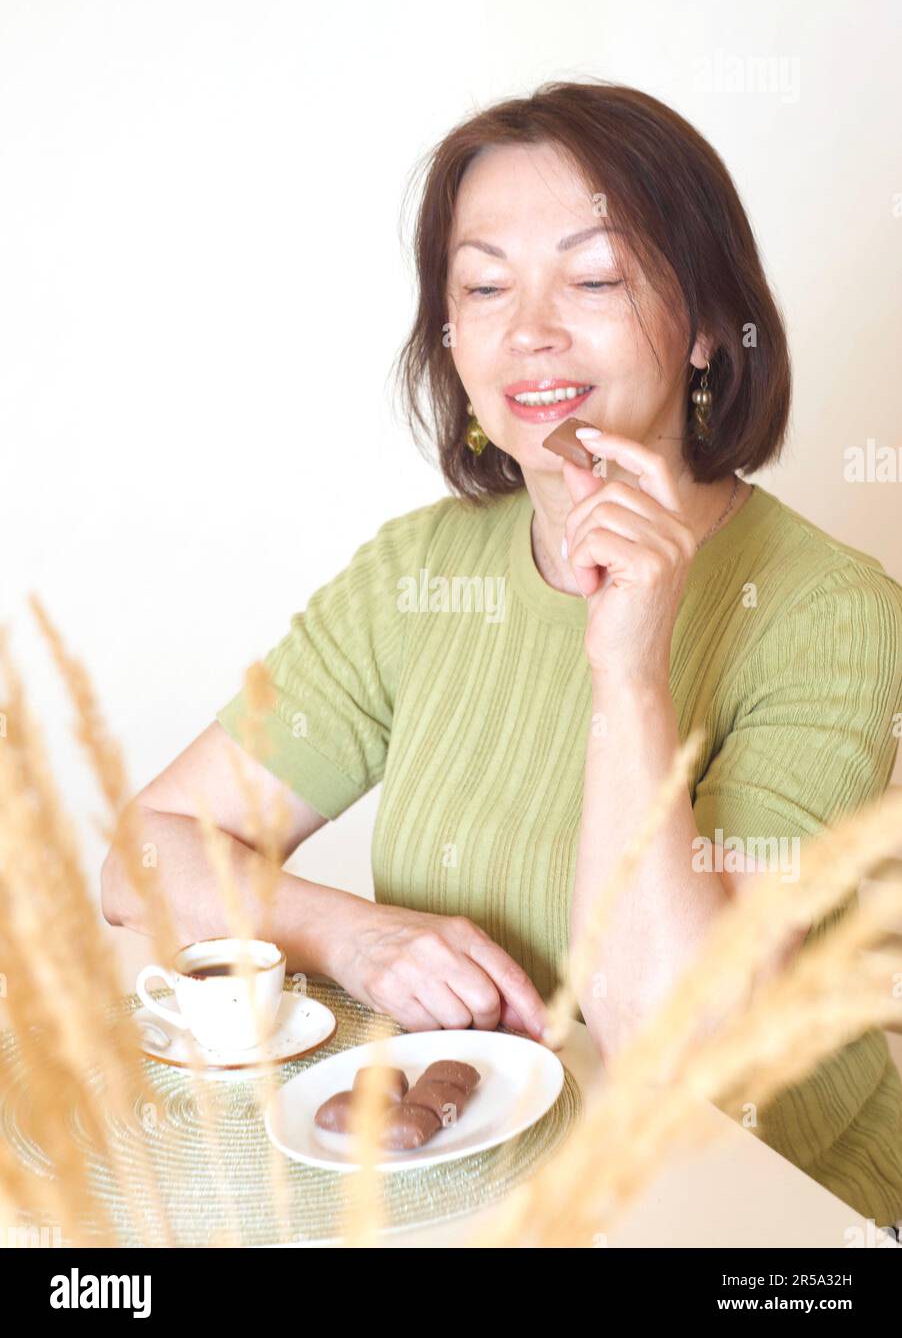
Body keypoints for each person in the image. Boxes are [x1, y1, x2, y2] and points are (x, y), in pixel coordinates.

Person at [102, 81, 902, 1228]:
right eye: (482, 286)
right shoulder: (417, 572)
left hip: (753, 1217)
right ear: (450, 336)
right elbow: (141, 859)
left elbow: (678, 1058)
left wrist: (626, 666)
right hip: (480, 1192)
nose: (528, 331)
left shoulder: (831, 611)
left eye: (593, 279)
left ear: (707, 325)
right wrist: (352, 932)